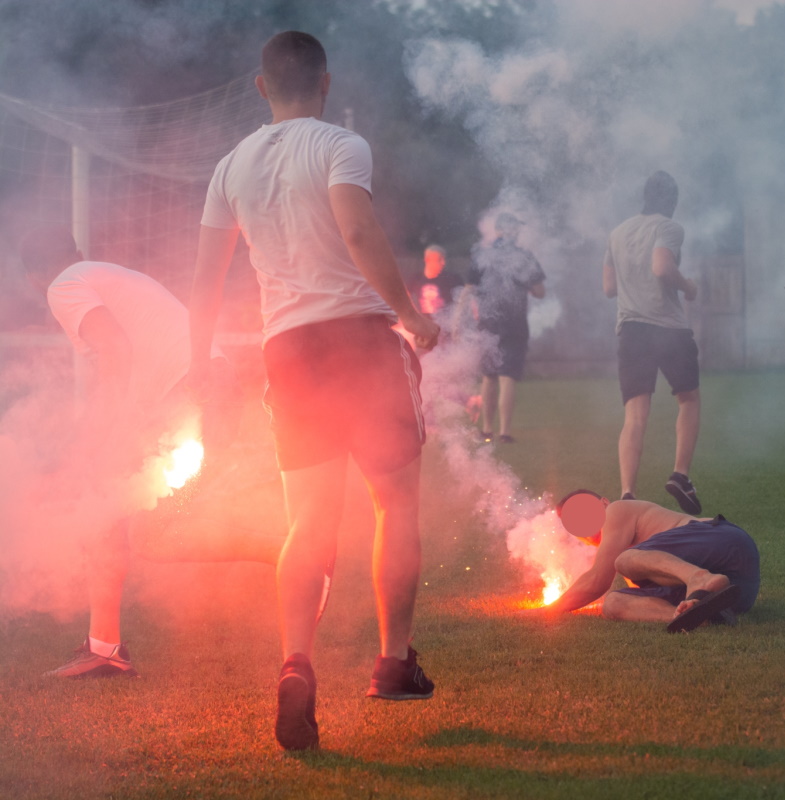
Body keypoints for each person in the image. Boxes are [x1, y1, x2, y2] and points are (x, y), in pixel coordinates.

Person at [188, 31, 441, 751]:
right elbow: (358, 232)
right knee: (394, 503)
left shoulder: (230, 166)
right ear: (325, 83)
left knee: (308, 525)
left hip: (289, 352)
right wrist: (410, 317)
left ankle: (295, 659)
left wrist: (196, 357)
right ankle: (393, 663)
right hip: (359, 338)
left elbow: (206, 277)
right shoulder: (340, 145)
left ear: (261, 87)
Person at [20, 227, 284, 680]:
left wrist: (100, 435)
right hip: (208, 393)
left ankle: (292, 550)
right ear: (79, 251)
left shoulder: (63, 285)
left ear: (31, 278)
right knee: (144, 529)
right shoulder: (106, 274)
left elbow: (117, 352)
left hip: (191, 397)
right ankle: (105, 649)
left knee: (129, 519)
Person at [603, 171, 702, 513]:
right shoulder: (669, 227)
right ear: (672, 200)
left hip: (631, 329)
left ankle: (627, 493)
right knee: (688, 400)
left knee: (635, 417)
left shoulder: (617, 233)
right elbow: (662, 267)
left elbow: (609, 287)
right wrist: (687, 286)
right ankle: (680, 475)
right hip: (668, 327)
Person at [540, 490, 759, 632]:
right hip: (739, 591)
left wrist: (549, 610)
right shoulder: (643, 560)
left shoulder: (617, 510)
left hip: (724, 541)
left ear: (603, 503)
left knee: (624, 559)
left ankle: (698, 578)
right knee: (614, 603)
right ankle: (696, 616)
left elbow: (598, 579)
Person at [459, 212, 545, 444]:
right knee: (508, 377)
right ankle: (504, 432)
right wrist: (522, 285)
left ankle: (487, 430)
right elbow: (540, 291)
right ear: (510, 231)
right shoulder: (523, 257)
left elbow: (467, 290)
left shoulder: (482, 255)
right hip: (515, 323)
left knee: (489, 377)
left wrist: (457, 322)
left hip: (488, 323)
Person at [411, 244, 461, 318]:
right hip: (423, 324)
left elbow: (464, 298)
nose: (443, 263)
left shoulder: (452, 279)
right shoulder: (416, 279)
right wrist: (416, 316)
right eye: (439, 259)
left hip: (446, 324)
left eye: (444, 259)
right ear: (427, 259)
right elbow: (406, 296)